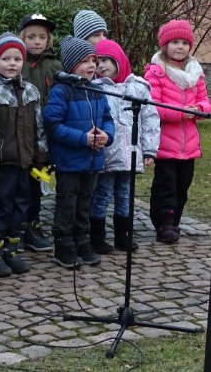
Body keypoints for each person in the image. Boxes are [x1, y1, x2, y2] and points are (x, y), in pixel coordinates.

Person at [0, 33, 48, 277]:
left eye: (17, 59)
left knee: (21, 206)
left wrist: (40, 154)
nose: (12, 64)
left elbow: (38, 125)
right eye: (5, 58)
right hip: (0, 163)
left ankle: (11, 250)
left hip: (25, 162)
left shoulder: (30, 91)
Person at [43, 36, 114, 269]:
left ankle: (83, 240)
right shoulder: (61, 91)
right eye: (86, 61)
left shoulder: (97, 91)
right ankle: (63, 244)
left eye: (94, 60)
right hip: (69, 161)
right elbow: (53, 125)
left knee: (86, 201)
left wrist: (107, 135)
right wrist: (82, 139)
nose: (92, 65)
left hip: (93, 160)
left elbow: (107, 119)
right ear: (73, 65)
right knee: (67, 202)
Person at [144, 20, 211, 243]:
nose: (180, 47)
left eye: (184, 42)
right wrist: (182, 112)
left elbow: (204, 100)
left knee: (182, 186)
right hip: (165, 144)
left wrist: (199, 109)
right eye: (174, 42)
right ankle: (164, 223)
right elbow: (154, 107)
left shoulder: (195, 73)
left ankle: (175, 220)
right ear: (165, 45)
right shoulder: (156, 72)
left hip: (189, 145)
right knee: (166, 186)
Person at [90, 40, 160, 253]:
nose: (101, 66)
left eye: (105, 60)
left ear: (118, 60)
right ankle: (97, 237)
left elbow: (150, 119)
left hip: (130, 153)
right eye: (97, 61)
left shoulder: (138, 88)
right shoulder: (96, 88)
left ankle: (123, 235)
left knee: (125, 195)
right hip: (106, 154)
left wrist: (149, 149)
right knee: (102, 194)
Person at [17, 13, 62, 252]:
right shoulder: (16, 63)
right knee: (19, 185)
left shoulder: (54, 66)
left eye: (42, 37)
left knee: (37, 183)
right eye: (31, 36)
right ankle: (16, 226)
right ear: (22, 38)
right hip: (20, 137)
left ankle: (33, 224)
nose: (37, 41)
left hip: (44, 139)